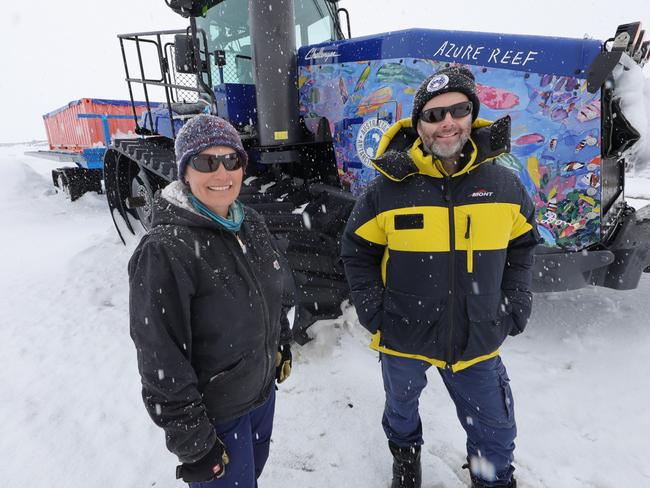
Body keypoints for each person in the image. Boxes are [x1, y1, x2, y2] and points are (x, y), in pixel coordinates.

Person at [341, 66, 540, 488]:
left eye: (458, 109)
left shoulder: (504, 185)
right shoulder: (387, 190)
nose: (446, 122)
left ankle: (491, 479)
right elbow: (356, 250)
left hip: (478, 335)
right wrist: (374, 311)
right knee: (400, 408)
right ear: (418, 126)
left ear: (472, 115)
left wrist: (515, 301)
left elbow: (523, 247)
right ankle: (406, 458)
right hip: (403, 333)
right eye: (433, 115)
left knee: (496, 431)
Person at [128, 114, 294, 487]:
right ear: (185, 171)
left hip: (260, 398)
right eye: (206, 161)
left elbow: (274, 288)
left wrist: (280, 342)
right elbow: (161, 361)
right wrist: (196, 446)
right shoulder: (165, 251)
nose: (222, 173)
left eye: (231, 160)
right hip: (217, 419)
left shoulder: (249, 221)